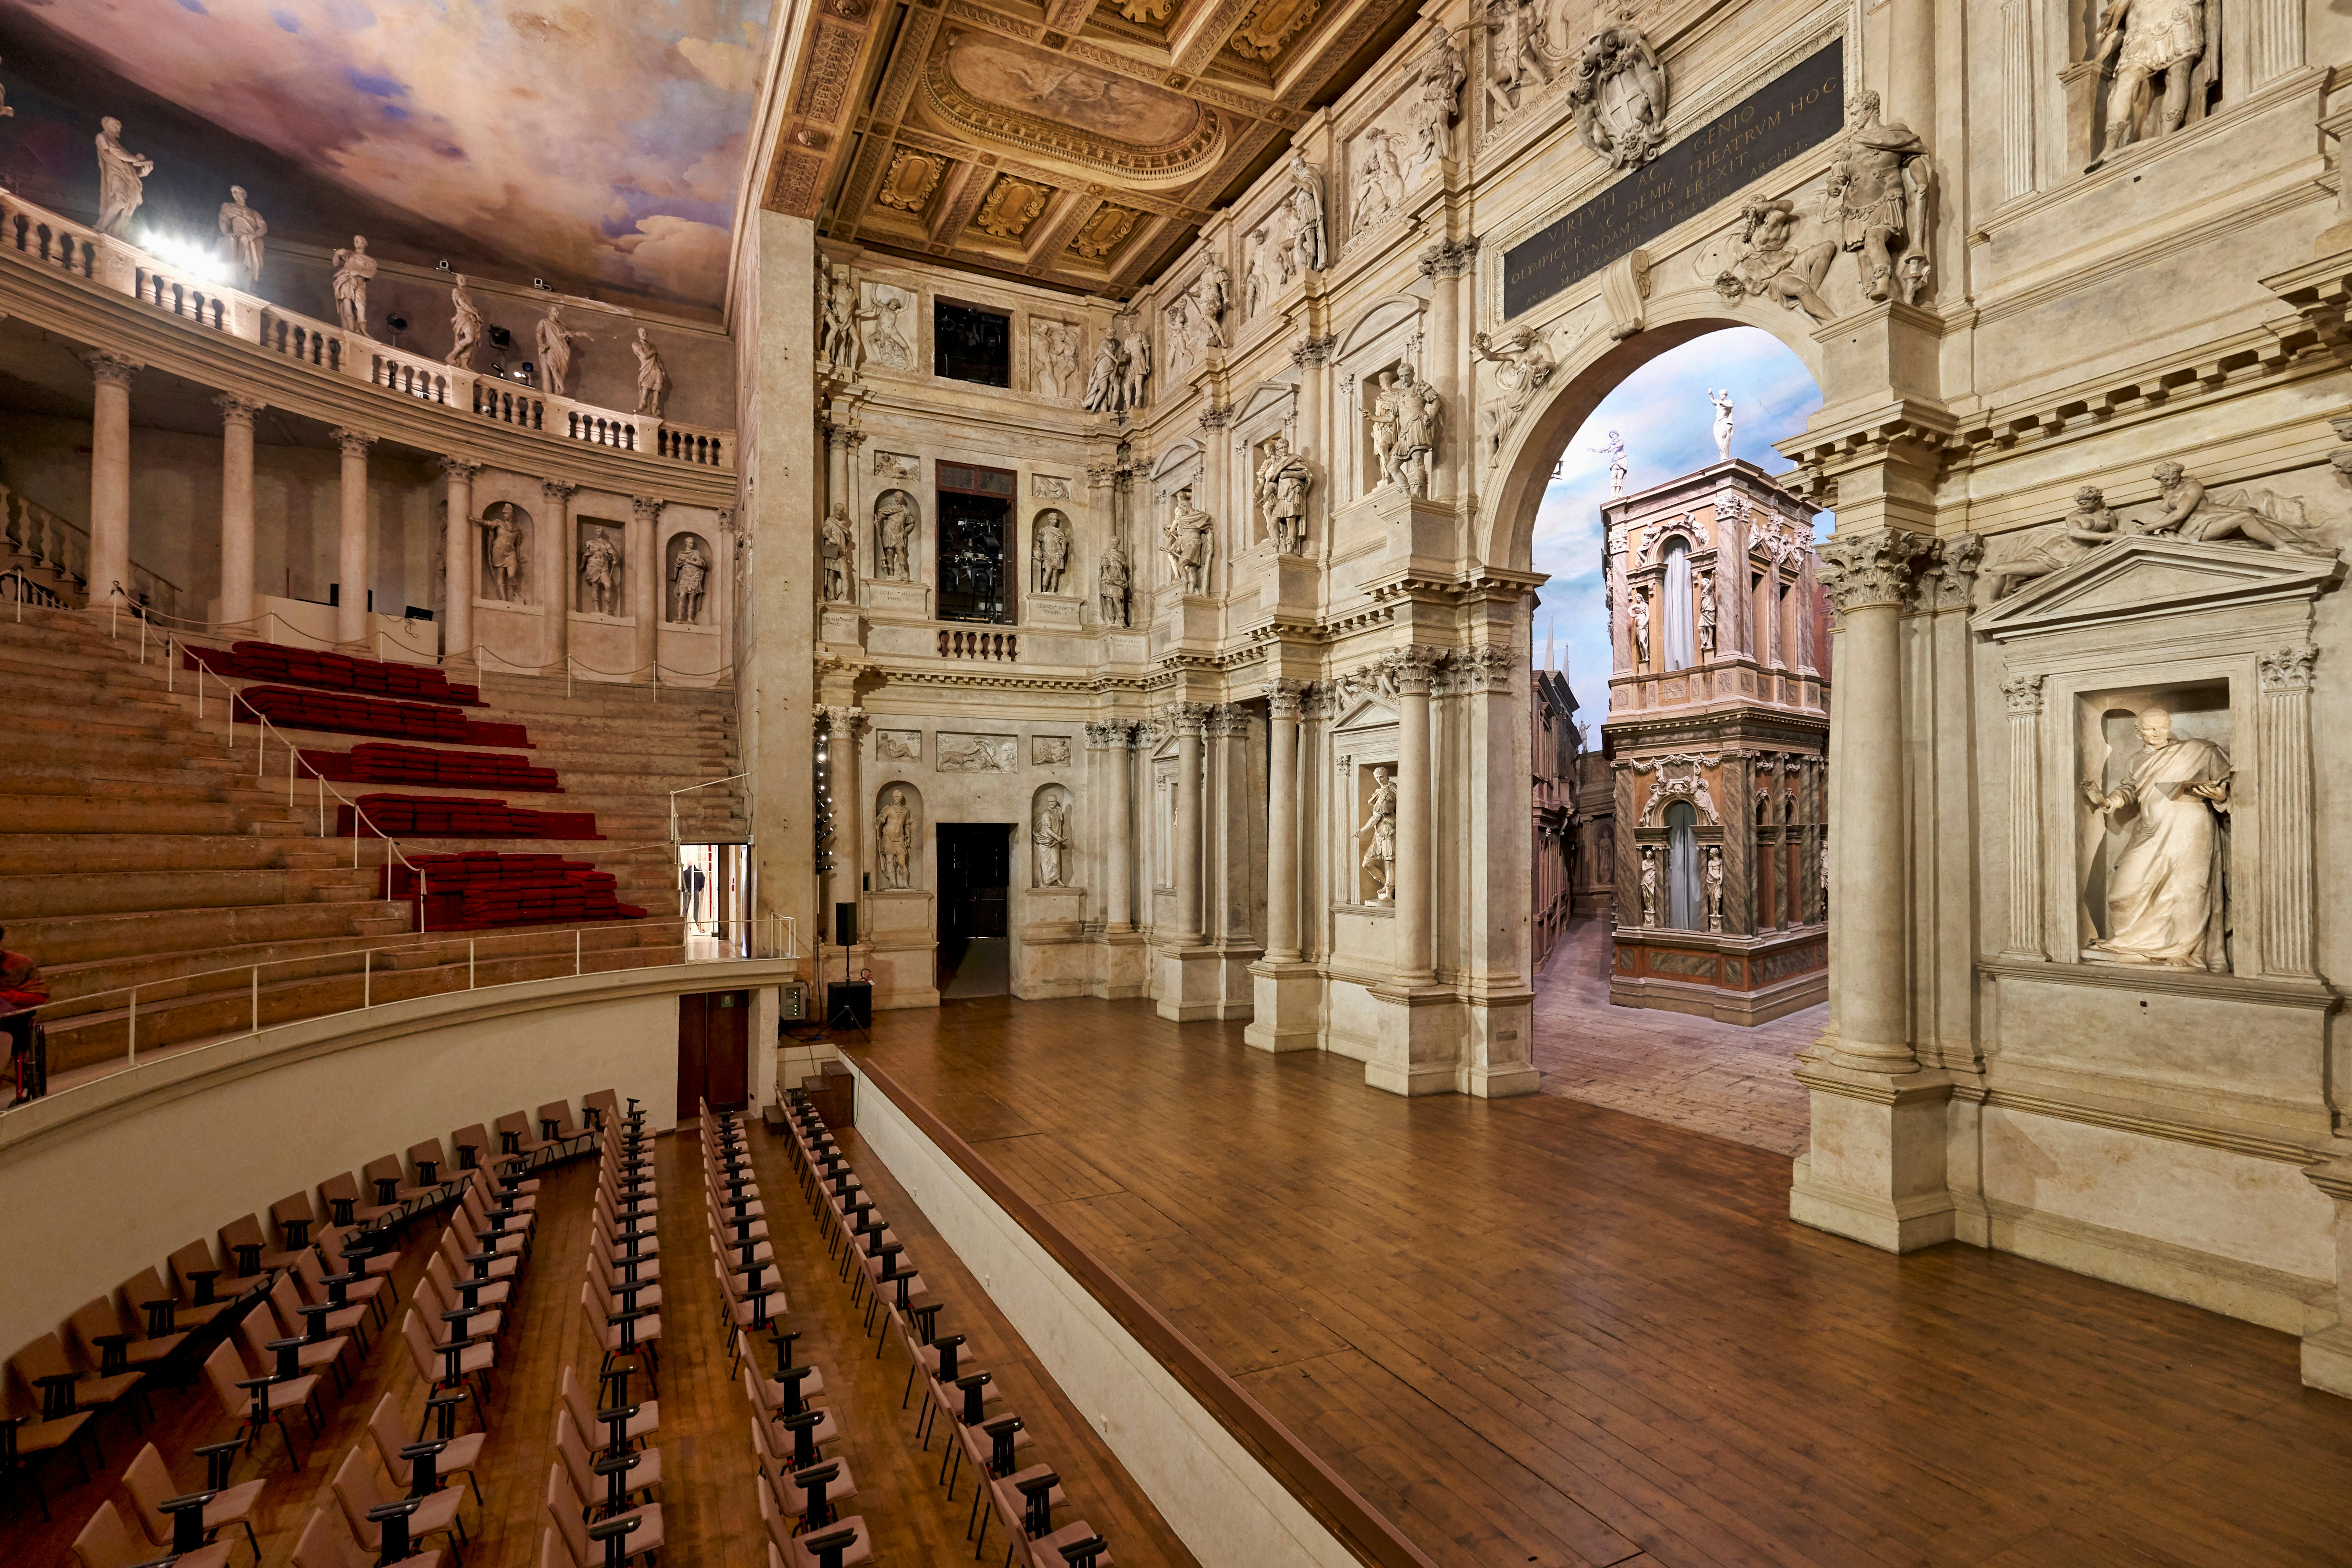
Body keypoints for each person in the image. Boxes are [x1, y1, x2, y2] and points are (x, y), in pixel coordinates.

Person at [0, 927, 48, 1103]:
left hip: (12, 1023)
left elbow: (39, 995)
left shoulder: (22, 963)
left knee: (3, 1034)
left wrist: (6, 997)